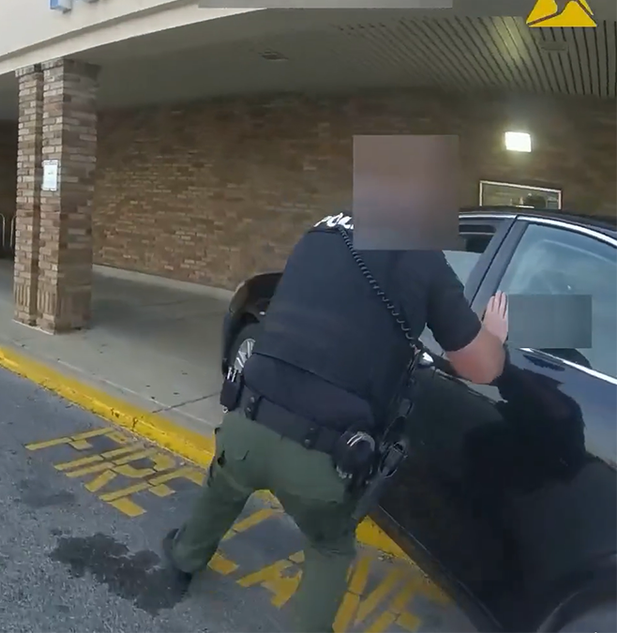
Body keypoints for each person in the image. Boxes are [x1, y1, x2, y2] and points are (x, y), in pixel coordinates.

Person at [160, 212, 510, 633]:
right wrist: (493, 332)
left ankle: (184, 558)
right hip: (323, 458)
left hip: (245, 423)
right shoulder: (425, 261)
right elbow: (482, 368)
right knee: (329, 545)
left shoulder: (319, 233)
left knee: (224, 483)